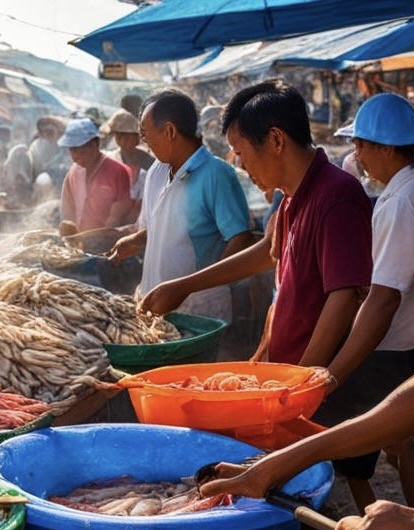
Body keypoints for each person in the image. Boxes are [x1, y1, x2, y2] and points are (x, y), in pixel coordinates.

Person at [201, 64, 414, 530]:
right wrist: (283, 462)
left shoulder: (384, 199)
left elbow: (370, 297)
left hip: (396, 345)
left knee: (391, 449)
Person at [138, 80, 371, 370]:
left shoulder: (336, 195)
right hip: (286, 368)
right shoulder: (291, 197)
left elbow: (344, 296)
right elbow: (268, 254)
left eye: (240, 152)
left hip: (312, 379)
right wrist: (185, 286)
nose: (241, 165)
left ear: (275, 140)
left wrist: (304, 381)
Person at [321, 93, 414, 514]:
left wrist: (335, 372)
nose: (357, 154)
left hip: (394, 346)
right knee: (396, 438)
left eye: (362, 144)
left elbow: (385, 298)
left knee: (358, 442)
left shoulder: (403, 202)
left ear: (387, 148)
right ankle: (413, 525)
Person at [109, 90, 254, 322]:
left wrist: (199, 287)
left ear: (169, 131)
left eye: (145, 135)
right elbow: (162, 227)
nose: (144, 143)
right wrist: (136, 240)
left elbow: (241, 240)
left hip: (199, 310)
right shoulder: (157, 171)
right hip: (153, 301)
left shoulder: (216, 174)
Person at [56, 118, 134, 252]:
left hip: (107, 245)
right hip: (77, 245)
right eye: (72, 150)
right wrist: (71, 238)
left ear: (94, 145)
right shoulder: (73, 172)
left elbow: (118, 215)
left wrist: (99, 242)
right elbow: (67, 209)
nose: (75, 156)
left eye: (79, 150)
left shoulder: (117, 171)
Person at [102, 109, 154, 225]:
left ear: (137, 137)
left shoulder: (150, 163)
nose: (122, 141)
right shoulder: (111, 159)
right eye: (118, 137)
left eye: (126, 137)